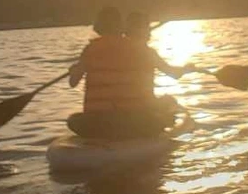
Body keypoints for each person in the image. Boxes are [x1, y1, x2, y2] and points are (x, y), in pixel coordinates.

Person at [66, 7, 189, 139]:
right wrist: (186, 68)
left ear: (97, 27)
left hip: (97, 123)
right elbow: (171, 73)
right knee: (167, 105)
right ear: (121, 27)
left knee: (73, 120)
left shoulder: (89, 50)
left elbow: (73, 82)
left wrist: (74, 70)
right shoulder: (138, 49)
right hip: (132, 122)